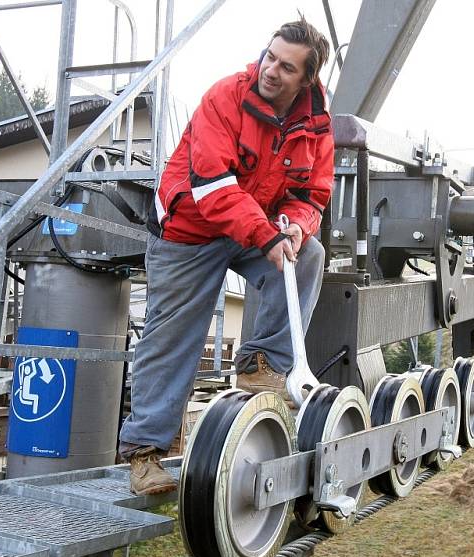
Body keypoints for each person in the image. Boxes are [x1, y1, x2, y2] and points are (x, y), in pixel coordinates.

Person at [119, 16, 333, 495]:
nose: (271, 70)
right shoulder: (225, 97)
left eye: (286, 66)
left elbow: (311, 193)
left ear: (307, 79)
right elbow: (212, 187)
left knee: (310, 256)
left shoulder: (315, 126)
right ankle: (144, 453)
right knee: (172, 335)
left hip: (251, 225)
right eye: (269, 56)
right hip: (189, 226)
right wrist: (267, 236)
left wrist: (295, 228)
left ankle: (261, 364)